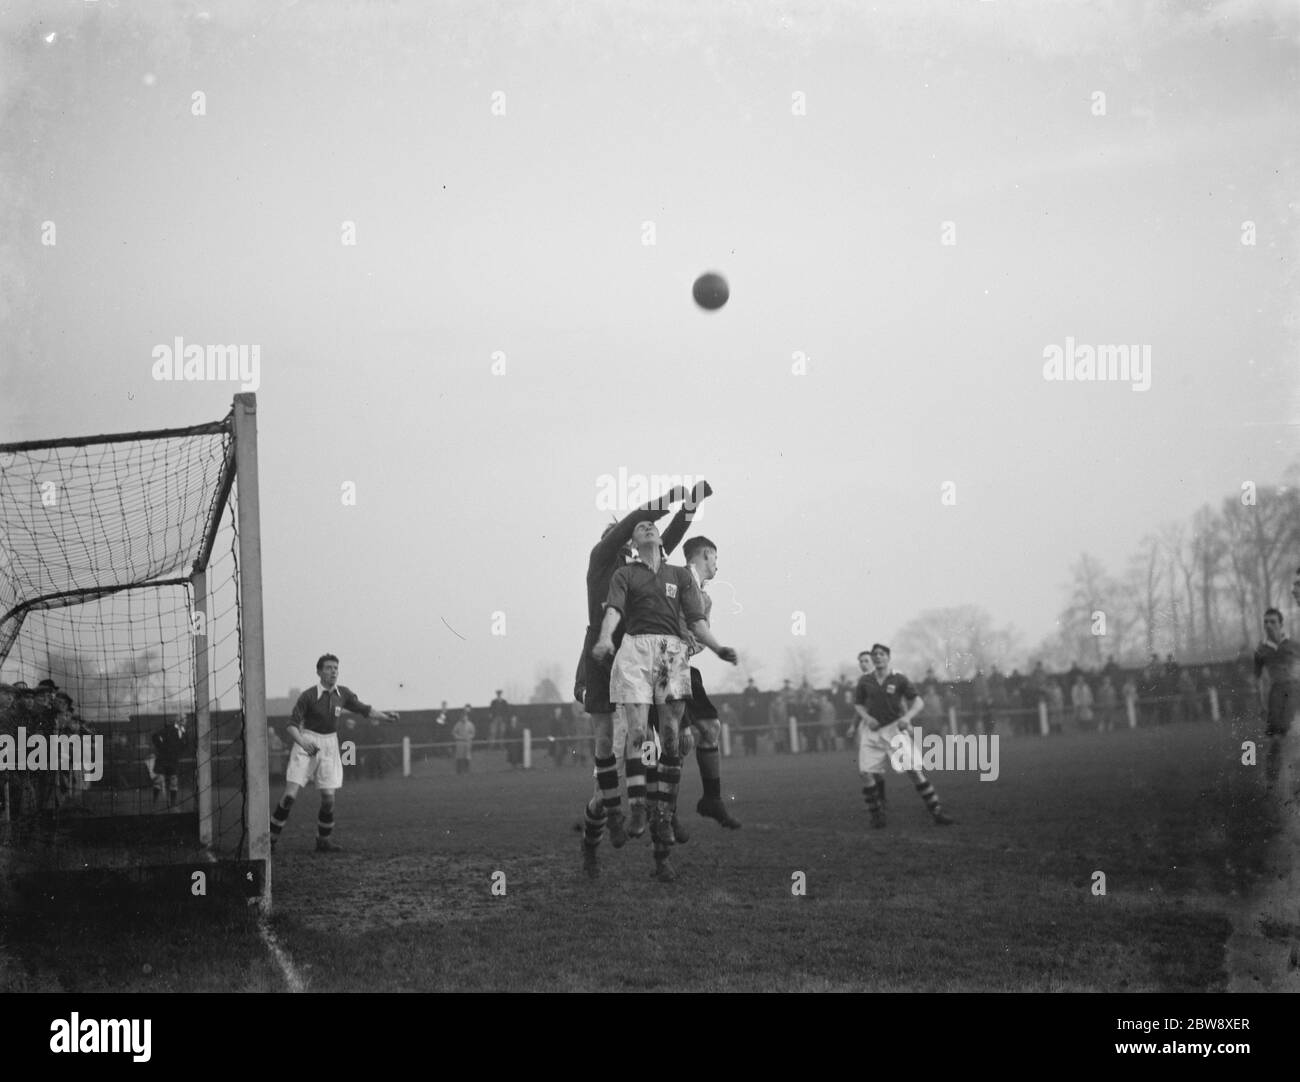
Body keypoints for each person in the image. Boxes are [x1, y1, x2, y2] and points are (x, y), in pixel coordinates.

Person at [591, 518, 737, 882]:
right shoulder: (621, 574)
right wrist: (606, 638)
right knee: (638, 740)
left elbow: (697, 621)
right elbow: (613, 612)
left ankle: (663, 820)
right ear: (630, 541)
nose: (648, 528)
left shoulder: (680, 576)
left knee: (674, 740)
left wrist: (718, 648)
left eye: (651, 526)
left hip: (670, 655)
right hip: (632, 655)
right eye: (639, 527)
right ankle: (632, 811)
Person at [576, 481, 708, 873]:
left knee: (657, 750)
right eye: (619, 535)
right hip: (604, 663)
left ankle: (662, 844)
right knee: (609, 765)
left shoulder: (639, 569)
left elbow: (667, 539)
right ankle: (600, 827)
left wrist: (689, 508)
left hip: (643, 663)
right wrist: (665, 501)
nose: (621, 542)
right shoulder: (602, 560)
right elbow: (636, 524)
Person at [269, 654, 399, 853]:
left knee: (329, 799)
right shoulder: (308, 696)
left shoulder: (343, 694)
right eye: (329, 668)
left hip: (330, 744)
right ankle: (269, 840)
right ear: (319, 672)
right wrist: (303, 742)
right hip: (306, 742)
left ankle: (323, 840)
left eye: (336, 668)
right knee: (289, 796)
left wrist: (386, 717)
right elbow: (291, 726)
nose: (333, 672)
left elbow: (365, 709)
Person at [668, 535, 741, 829]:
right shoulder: (675, 579)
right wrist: (678, 634)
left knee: (710, 728)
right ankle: (665, 812)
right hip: (663, 666)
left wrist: (695, 642)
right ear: (706, 554)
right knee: (677, 739)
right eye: (715, 559)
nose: (717, 567)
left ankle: (712, 800)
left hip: (684, 667)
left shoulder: (705, 598)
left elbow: (698, 639)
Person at [848, 645, 954, 828]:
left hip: (894, 730)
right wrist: (866, 718)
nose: (878, 657)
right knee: (865, 773)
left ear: (888, 658)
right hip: (872, 733)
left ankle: (936, 812)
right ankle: (877, 816)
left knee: (914, 771)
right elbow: (858, 705)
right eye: (875, 655)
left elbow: (917, 701)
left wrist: (907, 718)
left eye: (881, 654)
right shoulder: (865, 681)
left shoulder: (898, 678)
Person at [150, 715, 187, 809]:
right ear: (178, 720)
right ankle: (154, 802)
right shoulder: (169, 728)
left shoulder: (185, 731)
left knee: (174, 781)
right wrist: (161, 747)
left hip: (173, 760)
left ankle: (173, 803)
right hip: (163, 759)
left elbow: (185, 745)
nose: (185, 720)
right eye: (183, 718)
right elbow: (155, 736)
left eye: (186, 718)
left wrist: (178, 752)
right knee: (158, 781)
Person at [740, 678, 762, 756]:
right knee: (747, 738)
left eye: (751, 682)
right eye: (749, 682)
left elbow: (759, 699)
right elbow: (743, 701)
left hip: (754, 723)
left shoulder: (756, 690)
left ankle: (754, 752)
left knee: (754, 738)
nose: (750, 684)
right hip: (747, 724)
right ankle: (747, 752)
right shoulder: (746, 691)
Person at [454, 706, 477, 774]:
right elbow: (454, 732)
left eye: (465, 717)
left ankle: (467, 771)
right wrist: (459, 737)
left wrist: (469, 737)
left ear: (467, 717)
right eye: (463, 717)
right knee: (459, 757)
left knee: (467, 757)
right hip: (460, 743)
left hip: (468, 742)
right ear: (461, 717)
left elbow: (473, 733)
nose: (464, 718)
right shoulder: (458, 724)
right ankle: (459, 771)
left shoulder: (470, 724)